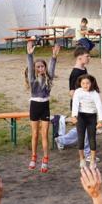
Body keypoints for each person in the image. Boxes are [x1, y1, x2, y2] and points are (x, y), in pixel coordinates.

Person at [26, 42, 60, 173]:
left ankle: (45, 159)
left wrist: (54, 56)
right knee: (35, 134)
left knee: (44, 134)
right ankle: (34, 157)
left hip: (45, 106)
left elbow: (52, 68)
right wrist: (30, 55)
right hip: (34, 106)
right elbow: (30, 67)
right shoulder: (32, 79)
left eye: (42, 66)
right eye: (38, 67)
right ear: (35, 69)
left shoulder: (49, 78)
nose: (40, 68)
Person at [70, 75, 102, 169]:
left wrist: (100, 121)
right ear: (80, 84)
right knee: (80, 138)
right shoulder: (78, 92)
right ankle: (82, 158)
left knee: (92, 139)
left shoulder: (95, 94)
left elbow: (99, 107)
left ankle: (92, 160)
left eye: (87, 83)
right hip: (81, 116)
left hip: (91, 117)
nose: (85, 85)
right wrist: (74, 116)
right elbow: (75, 104)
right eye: (83, 83)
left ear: (91, 83)